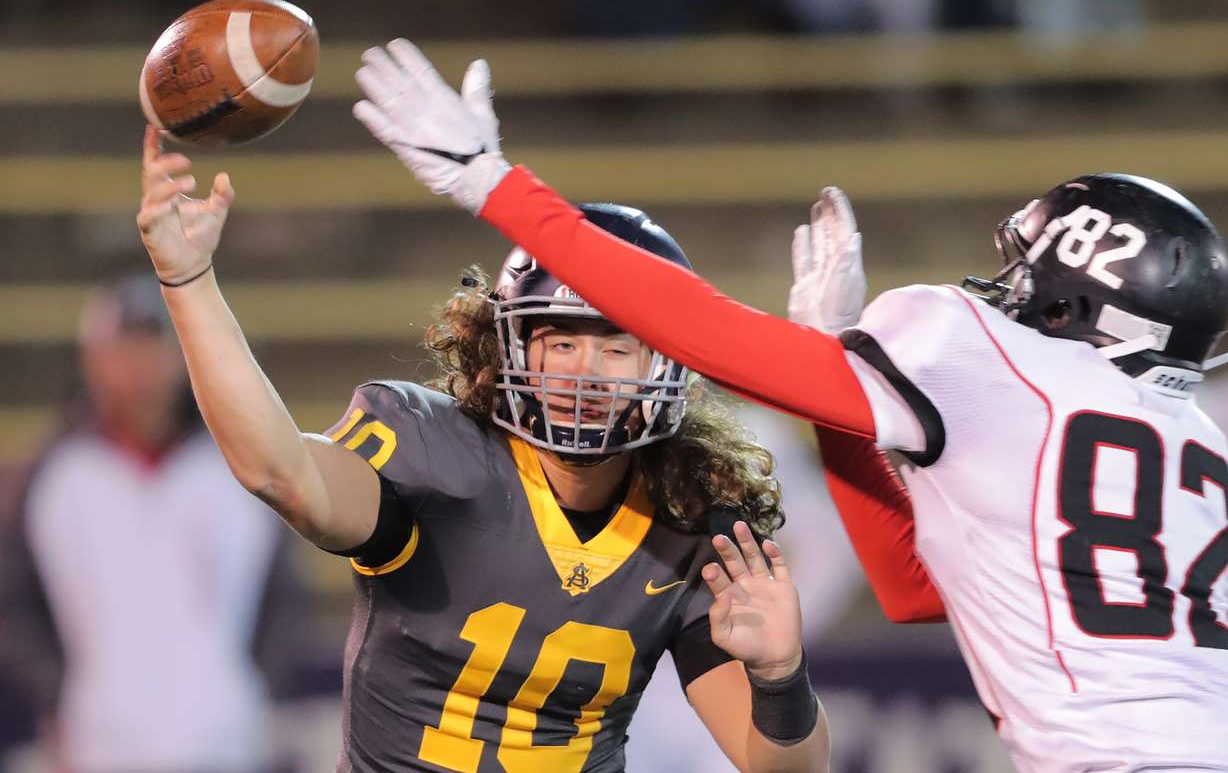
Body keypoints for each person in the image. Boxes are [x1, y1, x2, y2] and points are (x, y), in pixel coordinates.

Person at [350, 37, 1228, 772]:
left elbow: (712, 338)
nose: (1006, 291)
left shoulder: (986, 352)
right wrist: (848, 391)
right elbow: (917, 590)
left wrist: (495, 186)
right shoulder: (1199, 445)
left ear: (1071, 309)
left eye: (1026, 276)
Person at [135, 124, 831, 773]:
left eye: (616, 346)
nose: (583, 369)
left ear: (667, 364)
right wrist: (189, 282)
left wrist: (780, 679)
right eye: (559, 341)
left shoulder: (688, 519)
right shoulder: (433, 454)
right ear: (505, 347)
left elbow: (783, 766)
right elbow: (280, 472)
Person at [0, 276, 305, 773]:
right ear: (91, 360)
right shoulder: (52, 477)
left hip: (224, 739)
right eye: (123, 350)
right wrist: (57, 697)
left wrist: (250, 687)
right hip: (97, 742)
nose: (138, 370)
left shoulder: (235, 470)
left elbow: (284, 602)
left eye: (153, 348)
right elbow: (15, 606)